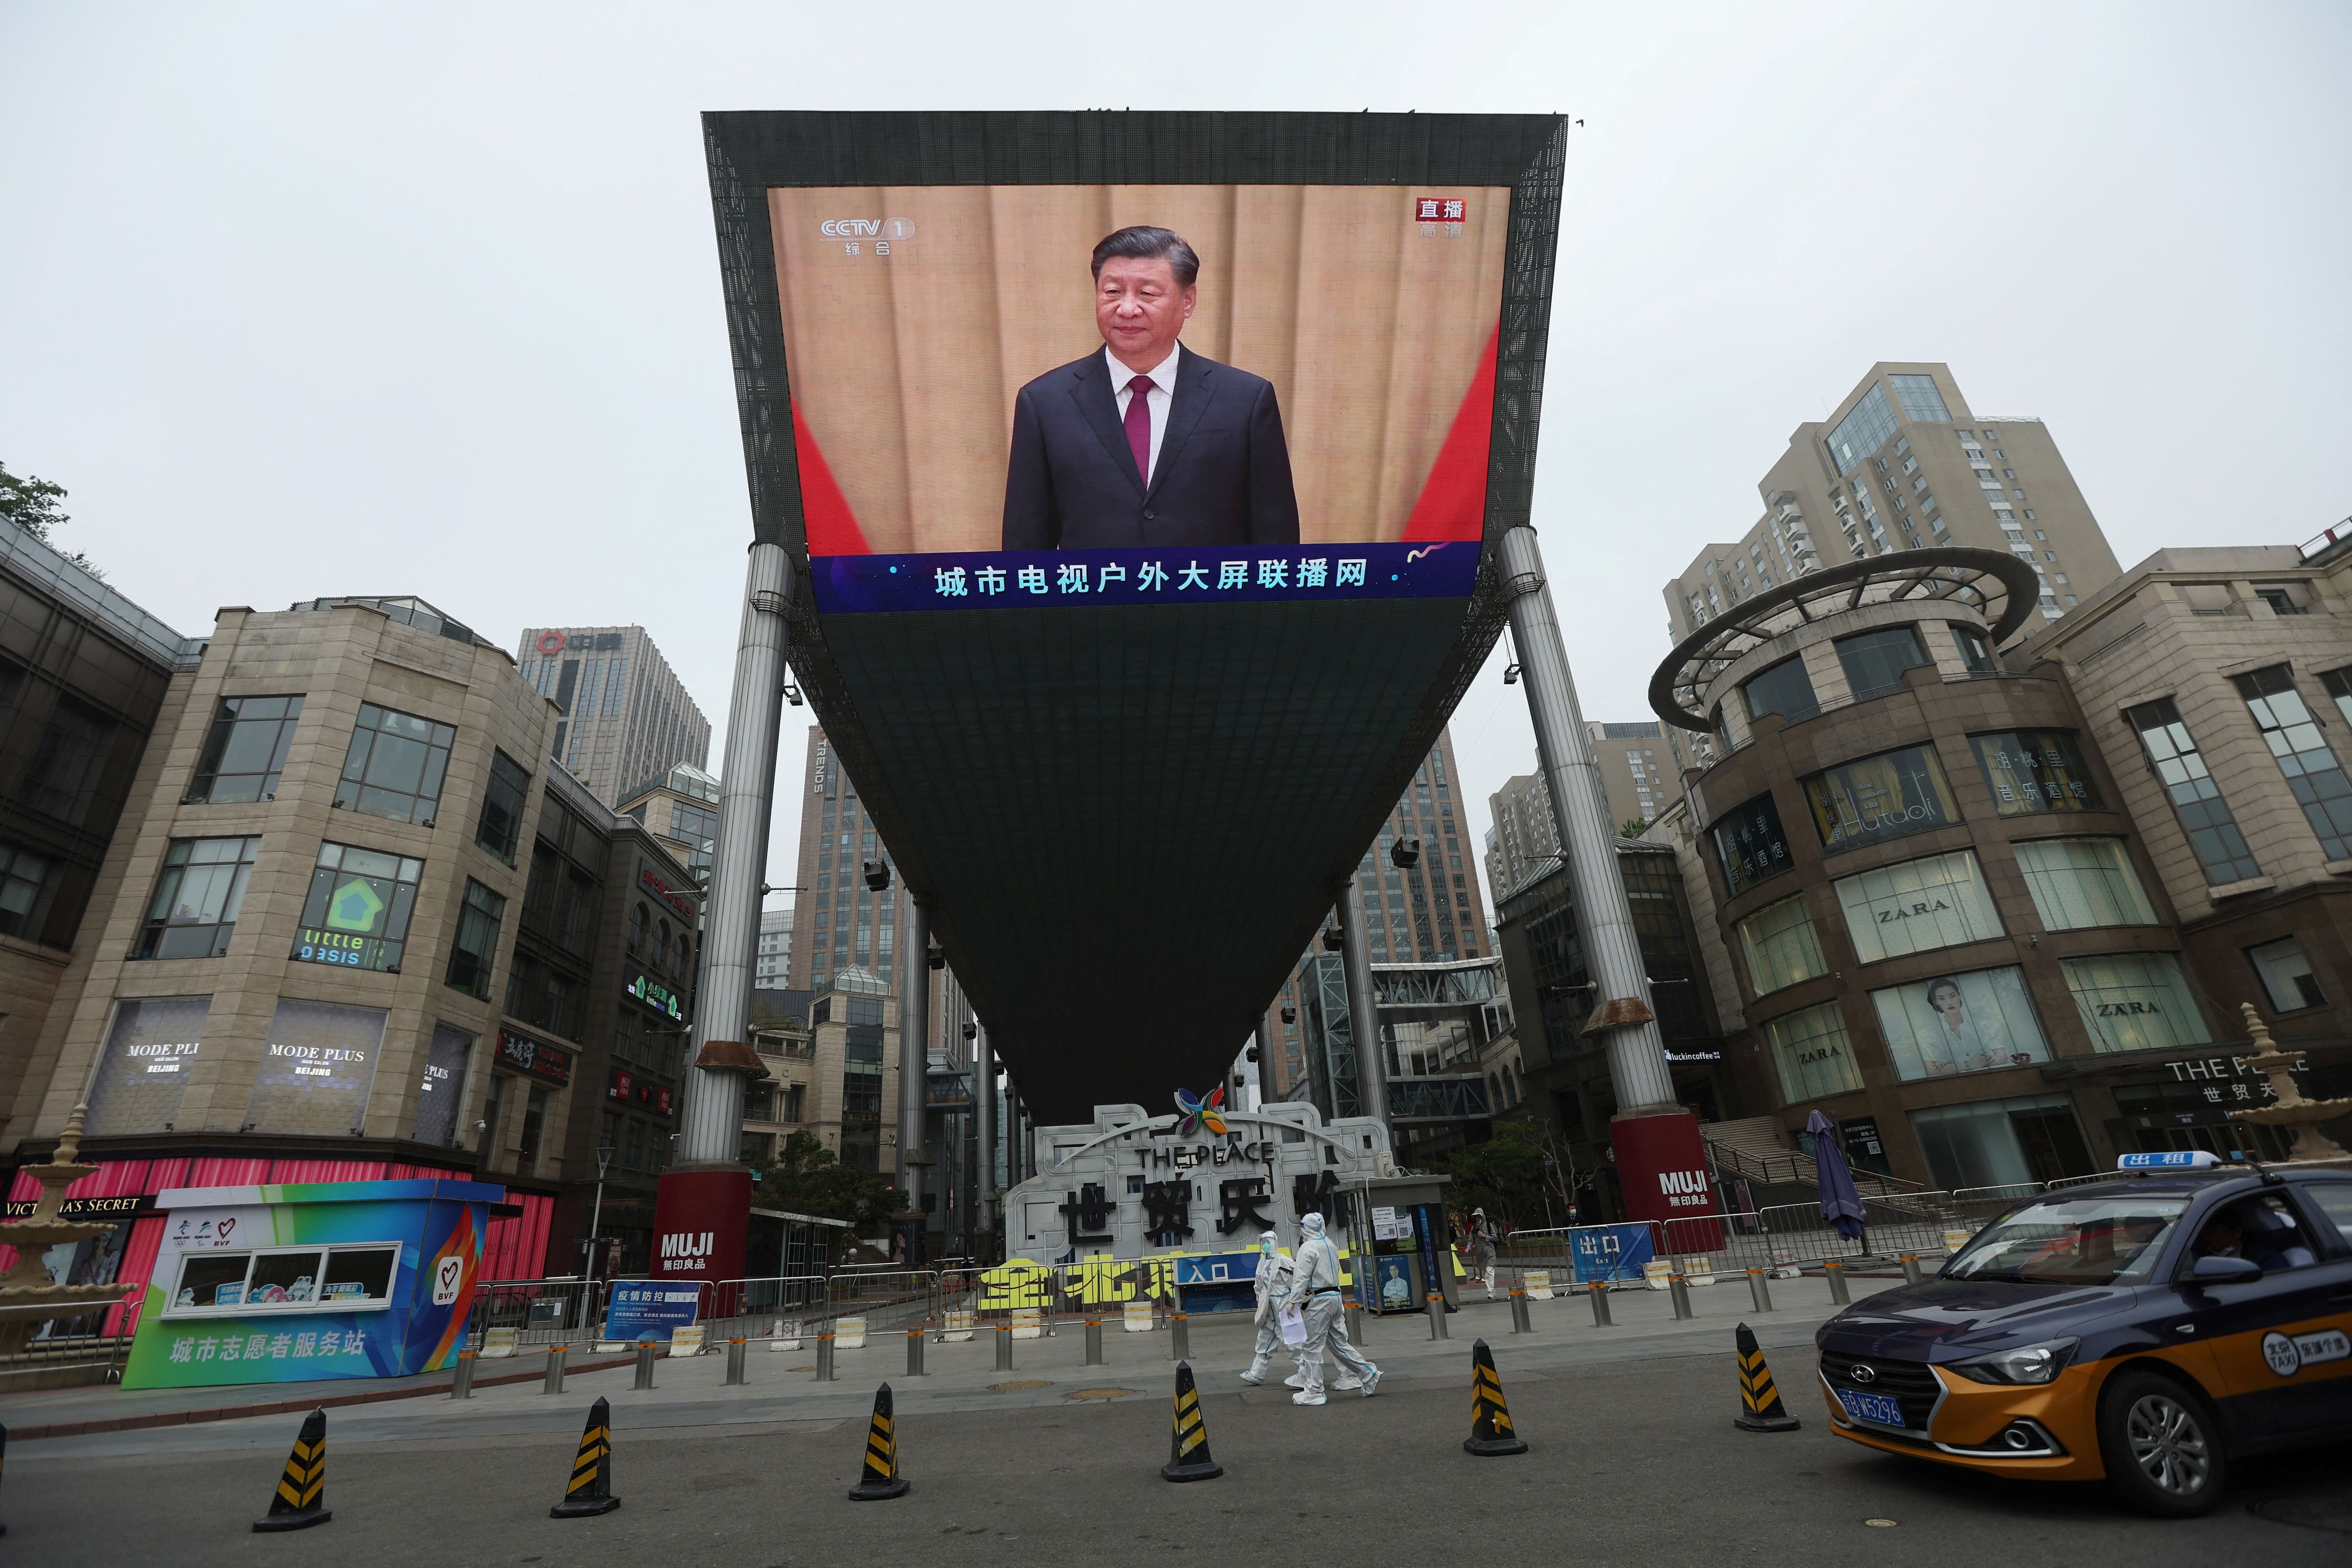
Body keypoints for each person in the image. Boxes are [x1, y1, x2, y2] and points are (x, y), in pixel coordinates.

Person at [1000, 225, 1300, 552]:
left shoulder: (1245, 400)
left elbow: (1276, 540)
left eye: (1147, 293)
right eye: (1113, 292)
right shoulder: (1045, 402)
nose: (1127, 309)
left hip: (1207, 599)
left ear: (1188, 301)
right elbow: (1025, 544)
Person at [1287, 1211, 1380, 1406]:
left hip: (1319, 1300)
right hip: (1336, 1297)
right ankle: (1368, 1373)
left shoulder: (1308, 1248)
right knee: (1339, 1344)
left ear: (1306, 1228)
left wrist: (1293, 1301)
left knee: (1312, 1346)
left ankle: (1314, 1392)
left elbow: (1302, 1277)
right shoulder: (1330, 1244)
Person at [1240, 1230, 1297, 1386]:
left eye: (1268, 1242)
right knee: (1264, 1340)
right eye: (1263, 1242)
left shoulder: (1283, 1261)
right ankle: (1257, 1373)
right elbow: (1259, 1285)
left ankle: (1306, 1372)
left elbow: (1296, 1283)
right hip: (1269, 1309)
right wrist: (1261, 1303)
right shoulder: (1262, 1262)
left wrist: (1293, 1302)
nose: (1265, 1245)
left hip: (1285, 1308)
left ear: (1275, 1243)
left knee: (1292, 1342)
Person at [1465, 1207, 1498, 1300]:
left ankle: (1490, 1292)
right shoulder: (1474, 1228)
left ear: (1482, 1217)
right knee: (1485, 1274)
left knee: (1489, 1272)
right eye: (1476, 1217)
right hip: (1480, 1254)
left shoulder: (1488, 1225)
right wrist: (1468, 1248)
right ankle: (1492, 1291)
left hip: (1490, 1252)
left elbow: (1495, 1238)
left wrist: (1484, 1236)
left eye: (1479, 1217)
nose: (1477, 1219)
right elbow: (1471, 1239)